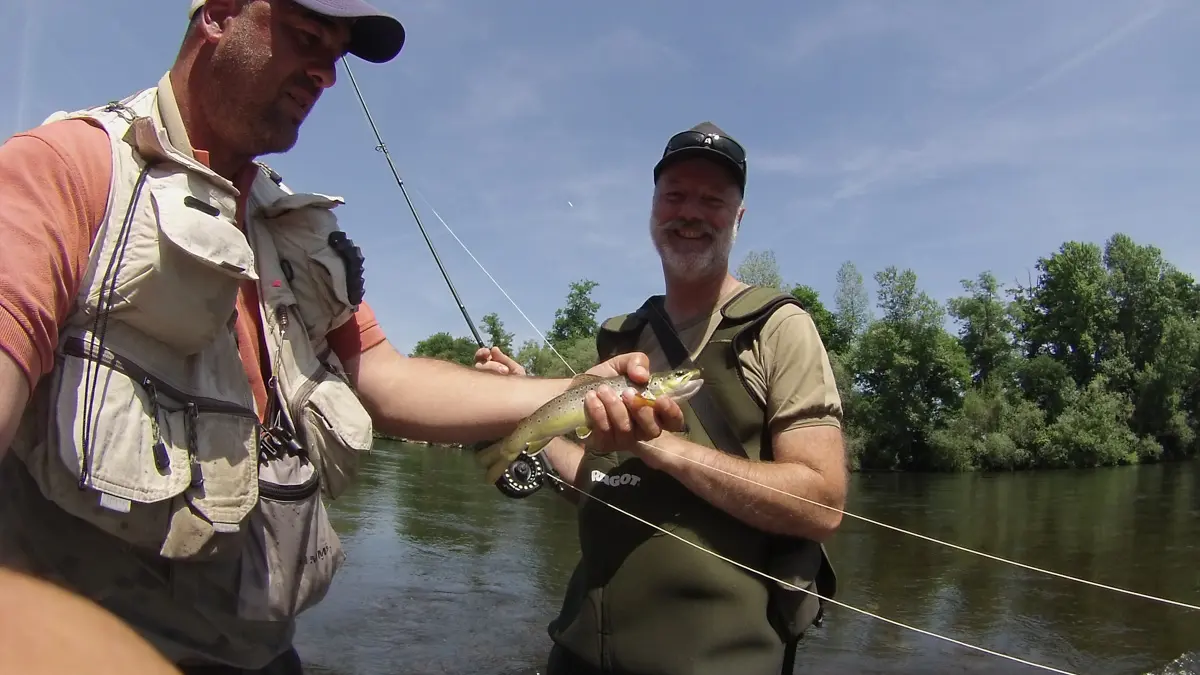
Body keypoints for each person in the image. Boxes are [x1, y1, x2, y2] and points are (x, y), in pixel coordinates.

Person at [0, 1, 685, 673]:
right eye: (305, 37)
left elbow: (385, 378)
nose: (323, 75)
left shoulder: (291, 231)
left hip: (264, 653)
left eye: (335, 57)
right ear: (216, 14)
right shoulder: (65, 171)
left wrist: (574, 388)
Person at [475, 122, 848, 675]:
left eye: (712, 199)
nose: (690, 213)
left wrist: (666, 448)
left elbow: (822, 504)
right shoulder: (623, 340)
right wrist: (528, 416)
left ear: (738, 217)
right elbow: (602, 486)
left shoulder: (778, 327)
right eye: (674, 196)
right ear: (653, 208)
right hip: (577, 654)